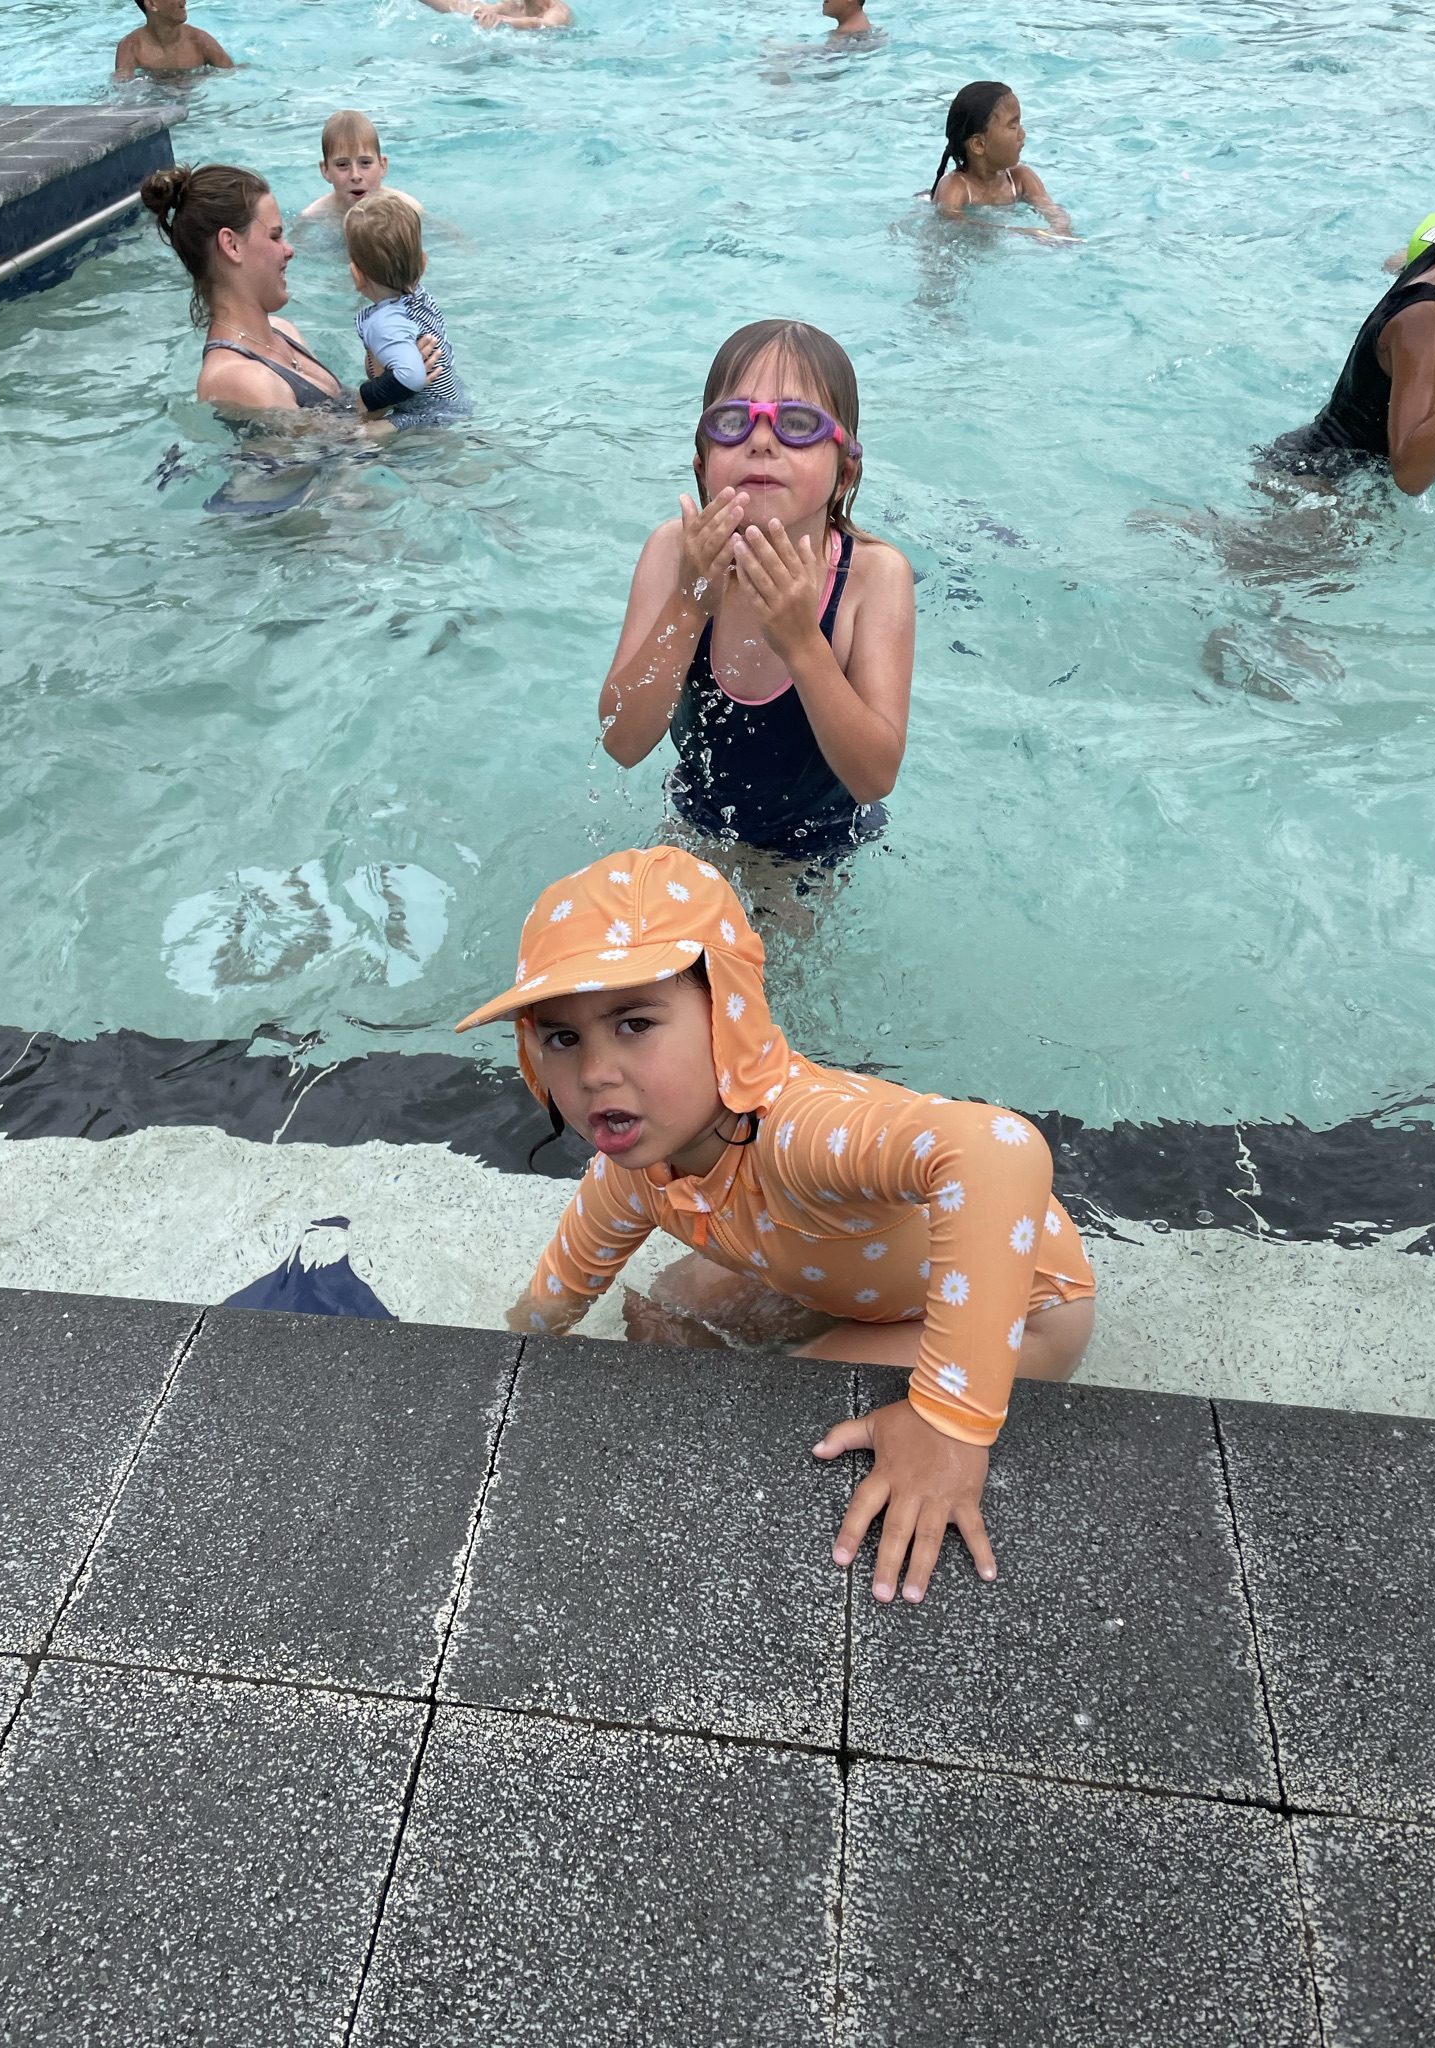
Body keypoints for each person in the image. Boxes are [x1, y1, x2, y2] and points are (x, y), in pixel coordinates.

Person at [456, 845, 1096, 1602]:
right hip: (842, 1262)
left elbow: (997, 1150)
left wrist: (950, 1424)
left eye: (633, 1023)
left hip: (1024, 1307)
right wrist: (491, 1374)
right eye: (562, 1038)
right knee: (664, 1303)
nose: (595, 1073)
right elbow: (552, 1300)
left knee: (766, 1407)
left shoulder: (799, 1135)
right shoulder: (630, 1174)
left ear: (729, 1015)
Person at [598, 320, 914, 871]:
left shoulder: (873, 578)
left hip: (818, 846)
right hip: (699, 820)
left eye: (798, 423)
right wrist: (689, 603)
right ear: (702, 468)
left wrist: (803, 643)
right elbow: (622, 742)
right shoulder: (672, 553)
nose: (761, 440)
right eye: (732, 422)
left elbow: (873, 778)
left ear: (844, 475)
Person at [140, 164, 441, 420]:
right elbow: (334, 457)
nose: (289, 250)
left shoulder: (283, 331)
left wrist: (383, 372)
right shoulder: (238, 377)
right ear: (231, 245)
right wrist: (390, 392)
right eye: (275, 236)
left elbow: (346, 419)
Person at [1263, 239, 1435, 495]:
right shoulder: (1426, 319)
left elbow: (1395, 262)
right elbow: (1411, 476)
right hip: (1323, 489)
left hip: (1344, 476)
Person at [346, 192, 472, 426]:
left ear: (356, 274)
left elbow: (411, 376)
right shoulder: (418, 300)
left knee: (363, 434)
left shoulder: (384, 322)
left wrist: (367, 396)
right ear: (423, 263)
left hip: (426, 419)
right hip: (453, 406)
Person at [924, 81, 1071, 238]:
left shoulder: (1021, 178)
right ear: (979, 144)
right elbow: (955, 225)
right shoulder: (955, 187)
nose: (1022, 134)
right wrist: (1022, 232)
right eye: (1013, 125)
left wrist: (1060, 229)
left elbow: (1053, 211)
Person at [300, 111, 424, 226]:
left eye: (365, 162)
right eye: (342, 165)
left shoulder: (409, 210)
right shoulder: (312, 218)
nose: (355, 175)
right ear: (325, 170)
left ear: (382, 166)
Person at [115, 0, 232, 79]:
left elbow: (232, 75)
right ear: (152, 4)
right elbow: (123, 89)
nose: (184, 1)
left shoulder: (199, 41)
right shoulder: (132, 46)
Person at [418, 0, 574, 27]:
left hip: (550, 58)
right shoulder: (514, 5)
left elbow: (543, 24)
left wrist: (502, 19)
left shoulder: (558, 11)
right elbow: (465, 7)